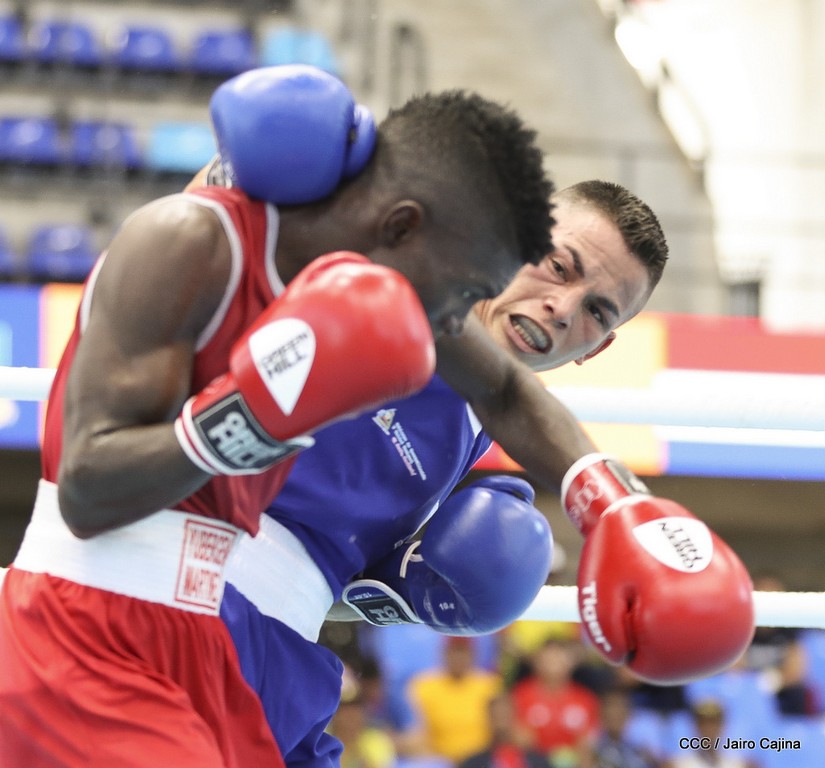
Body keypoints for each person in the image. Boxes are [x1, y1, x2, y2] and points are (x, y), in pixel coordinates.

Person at [0, 65, 557, 767]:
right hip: (89, 627)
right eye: (465, 292)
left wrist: (613, 502)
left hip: (206, 635)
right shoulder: (191, 238)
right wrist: (257, 417)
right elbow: (87, 489)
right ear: (402, 226)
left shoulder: (371, 335)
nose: (456, 321)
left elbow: (505, 389)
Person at [218, 177, 671, 768]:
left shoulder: (477, 428)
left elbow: (322, 567)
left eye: (596, 311)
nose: (562, 309)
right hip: (183, 605)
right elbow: (206, 229)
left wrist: (405, 589)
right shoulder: (391, 271)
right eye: (559, 267)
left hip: (280, 661)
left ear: (597, 348)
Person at [404, 636, 505, 765]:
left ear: (473, 654)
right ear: (444, 653)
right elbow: (417, 730)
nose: (458, 658)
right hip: (439, 760)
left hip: (481, 759)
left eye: (463, 652)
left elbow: (500, 728)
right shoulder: (424, 686)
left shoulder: (489, 685)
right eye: (454, 651)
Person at [509, 638, 601, 766]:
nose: (553, 663)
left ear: (570, 663)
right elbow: (521, 740)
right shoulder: (520, 695)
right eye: (548, 659)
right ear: (537, 662)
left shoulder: (585, 699)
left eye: (558, 658)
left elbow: (587, 743)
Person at [458, 691, 548, 768]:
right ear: (488, 720)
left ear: (515, 717)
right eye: (497, 717)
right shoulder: (474, 763)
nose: (501, 724)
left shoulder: (536, 761)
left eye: (505, 716)